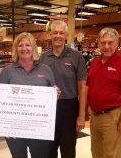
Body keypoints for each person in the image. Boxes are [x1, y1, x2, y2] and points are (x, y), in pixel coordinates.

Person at [0, 32, 56, 158]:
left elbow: (52, 98)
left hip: (39, 127)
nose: (24, 48)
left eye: (28, 45)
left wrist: (54, 96)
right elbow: (0, 101)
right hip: (15, 128)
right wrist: (5, 126)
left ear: (34, 48)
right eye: (20, 45)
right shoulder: (7, 72)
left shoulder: (46, 70)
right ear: (16, 49)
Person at [86, 27, 121, 158]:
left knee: (111, 155)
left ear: (117, 43)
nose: (106, 46)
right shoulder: (94, 62)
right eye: (103, 43)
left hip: (113, 117)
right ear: (98, 43)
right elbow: (89, 87)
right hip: (95, 117)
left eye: (110, 42)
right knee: (96, 153)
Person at [40, 20, 87, 158]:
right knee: (49, 149)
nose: (58, 36)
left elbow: (82, 87)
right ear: (50, 34)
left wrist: (81, 115)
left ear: (66, 35)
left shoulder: (76, 56)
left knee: (68, 150)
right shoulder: (43, 58)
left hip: (69, 108)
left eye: (61, 33)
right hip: (48, 109)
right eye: (55, 32)